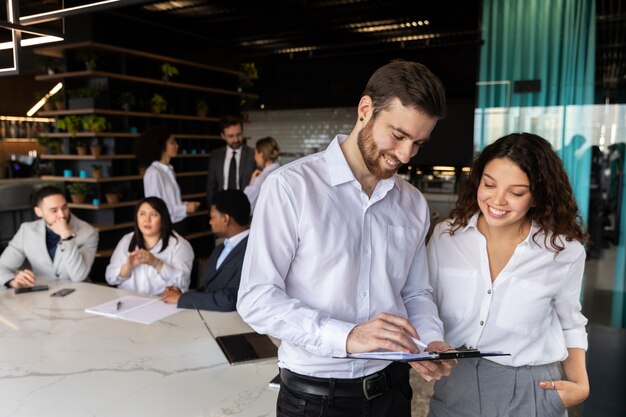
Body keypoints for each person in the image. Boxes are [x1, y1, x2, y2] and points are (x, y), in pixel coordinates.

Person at [237, 60, 454, 417]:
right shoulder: (291, 187)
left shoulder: (412, 202)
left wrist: (428, 342)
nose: (405, 155)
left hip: (393, 390)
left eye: (417, 143)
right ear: (365, 110)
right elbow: (256, 298)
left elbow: (416, 292)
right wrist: (347, 336)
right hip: (314, 399)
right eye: (398, 136)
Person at [426, 133, 590, 417]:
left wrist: (580, 384)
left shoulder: (564, 252)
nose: (497, 200)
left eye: (516, 192)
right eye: (489, 184)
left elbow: (571, 323)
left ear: (538, 195)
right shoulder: (446, 237)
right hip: (456, 384)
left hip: (530, 388)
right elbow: (423, 299)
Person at [162, 189, 250, 311]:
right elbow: (210, 289)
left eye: (212, 217)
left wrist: (182, 299)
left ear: (225, 219)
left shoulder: (252, 249)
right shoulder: (220, 249)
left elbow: (231, 299)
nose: (210, 222)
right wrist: (181, 294)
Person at [0, 185, 98, 288]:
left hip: (80, 294)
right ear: (38, 212)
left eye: (64, 208)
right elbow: (2, 266)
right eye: (54, 210)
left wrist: (67, 238)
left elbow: (78, 276)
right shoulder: (27, 231)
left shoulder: (88, 232)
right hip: (43, 294)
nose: (62, 215)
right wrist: (11, 281)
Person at [105, 197, 194, 296]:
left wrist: (157, 263)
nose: (147, 220)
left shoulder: (179, 245)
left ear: (163, 218)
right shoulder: (127, 240)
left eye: (154, 214)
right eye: (142, 214)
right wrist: (126, 268)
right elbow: (110, 278)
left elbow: (183, 283)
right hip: (128, 302)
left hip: (161, 304)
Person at [136, 126, 200, 225]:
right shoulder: (154, 173)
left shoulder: (169, 170)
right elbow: (156, 208)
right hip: (165, 228)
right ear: (161, 147)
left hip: (176, 225)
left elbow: (170, 203)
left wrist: (186, 205)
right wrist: (185, 208)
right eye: (172, 142)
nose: (177, 146)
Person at [205, 115, 256, 208]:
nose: (236, 139)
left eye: (239, 134)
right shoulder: (216, 155)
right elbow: (211, 186)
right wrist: (212, 209)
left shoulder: (253, 154)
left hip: (245, 208)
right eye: (231, 136)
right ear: (223, 136)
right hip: (221, 208)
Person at [244, 136, 281, 212]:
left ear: (261, 154)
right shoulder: (283, 171)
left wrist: (252, 182)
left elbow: (246, 206)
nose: (254, 158)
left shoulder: (261, 178)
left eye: (255, 153)